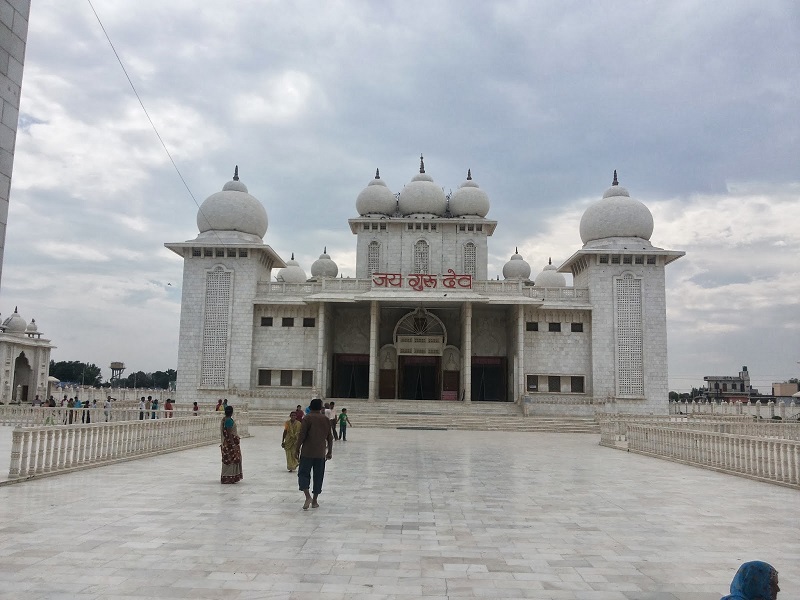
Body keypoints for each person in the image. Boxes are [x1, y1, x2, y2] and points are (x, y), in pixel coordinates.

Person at [295, 398, 332, 510]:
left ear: (310, 407)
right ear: (321, 408)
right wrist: (329, 451)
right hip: (320, 453)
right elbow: (329, 437)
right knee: (318, 476)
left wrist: (297, 449)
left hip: (307, 452)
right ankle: (315, 500)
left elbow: (302, 435)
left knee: (303, 474)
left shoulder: (307, 418)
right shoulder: (325, 419)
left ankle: (307, 496)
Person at [220, 405, 243, 484]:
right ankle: (229, 477)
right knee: (232, 460)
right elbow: (229, 433)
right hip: (230, 444)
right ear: (231, 412)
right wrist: (233, 444)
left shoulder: (225, 419)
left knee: (230, 460)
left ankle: (229, 476)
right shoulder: (228, 420)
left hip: (227, 443)